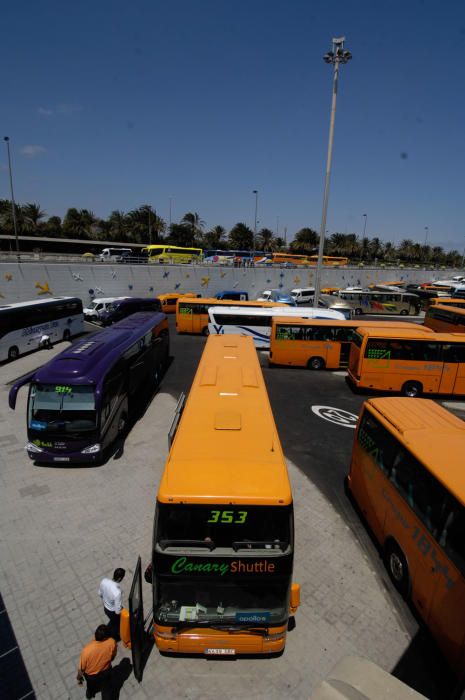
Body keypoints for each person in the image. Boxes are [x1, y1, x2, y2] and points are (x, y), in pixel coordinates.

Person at [77, 624, 116, 699]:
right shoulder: (112, 642)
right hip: (106, 672)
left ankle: (89, 695)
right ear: (105, 637)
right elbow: (113, 657)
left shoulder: (87, 650)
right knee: (106, 688)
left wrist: (79, 678)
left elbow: (81, 669)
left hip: (91, 676)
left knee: (91, 686)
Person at [98, 568, 125, 641]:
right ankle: (113, 638)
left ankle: (105, 632)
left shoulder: (104, 581)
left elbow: (100, 594)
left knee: (112, 622)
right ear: (120, 579)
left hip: (105, 608)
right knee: (116, 625)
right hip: (112, 612)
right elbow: (117, 611)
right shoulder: (117, 592)